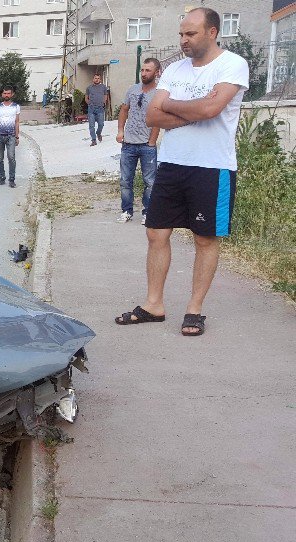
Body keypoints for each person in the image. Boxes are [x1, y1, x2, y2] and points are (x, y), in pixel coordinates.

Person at [116, 7, 249, 337]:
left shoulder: (232, 64)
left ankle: (194, 310)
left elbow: (211, 108)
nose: (184, 40)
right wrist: (197, 110)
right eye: (181, 34)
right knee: (155, 234)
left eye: (190, 34)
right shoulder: (175, 68)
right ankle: (154, 305)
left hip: (211, 167)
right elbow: (152, 117)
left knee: (205, 239)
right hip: (172, 164)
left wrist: (182, 107)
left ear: (212, 32)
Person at [115, 58, 162, 224]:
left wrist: (152, 141)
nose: (144, 73)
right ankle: (126, 211)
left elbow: (158, 118)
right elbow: (124, 110)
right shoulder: (132, 89)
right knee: (125, 181)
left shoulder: (160, 92)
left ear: (157, 73)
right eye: (142, 70)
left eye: (148, 70)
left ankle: (148, 212)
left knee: (150, 182)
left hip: (146, 145)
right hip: (128, 144)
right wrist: (120, 131)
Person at [0, 86, 20, 188]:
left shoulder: (16, 106)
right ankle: (2, 177)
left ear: (12, 94)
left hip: (11, 136)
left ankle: (12, 179)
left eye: (8, 93)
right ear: (2, 94)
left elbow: (17, 122)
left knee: (11, 157)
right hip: (0, 136)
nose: (6, 95)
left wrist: (17, 136)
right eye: (5, 93)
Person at [85, 73, 110, 146]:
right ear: (93, 79)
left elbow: (105, 96)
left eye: (98, 78)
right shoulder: (89, 88)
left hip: (100, 108)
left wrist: (103, 102)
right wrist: (89, 103)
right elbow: (86, 97)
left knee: (101, 124)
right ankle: (93, 140)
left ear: (100, 79)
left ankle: (98, 133)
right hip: (91, 109)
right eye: (95, 78)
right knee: (91, 125)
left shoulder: (103, 87)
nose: (97, 79)